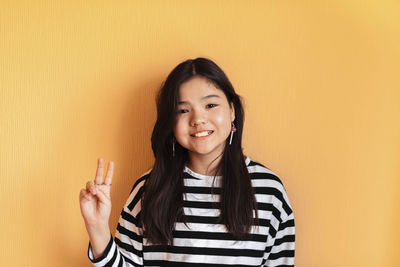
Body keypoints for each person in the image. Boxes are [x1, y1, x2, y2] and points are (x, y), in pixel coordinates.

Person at [79, 57, 295, 266]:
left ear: (232, 110)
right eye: (183, 110)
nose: (198, 119)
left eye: (210, 105)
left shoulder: (269, 191)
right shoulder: (149, 189)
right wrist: (97, 228)